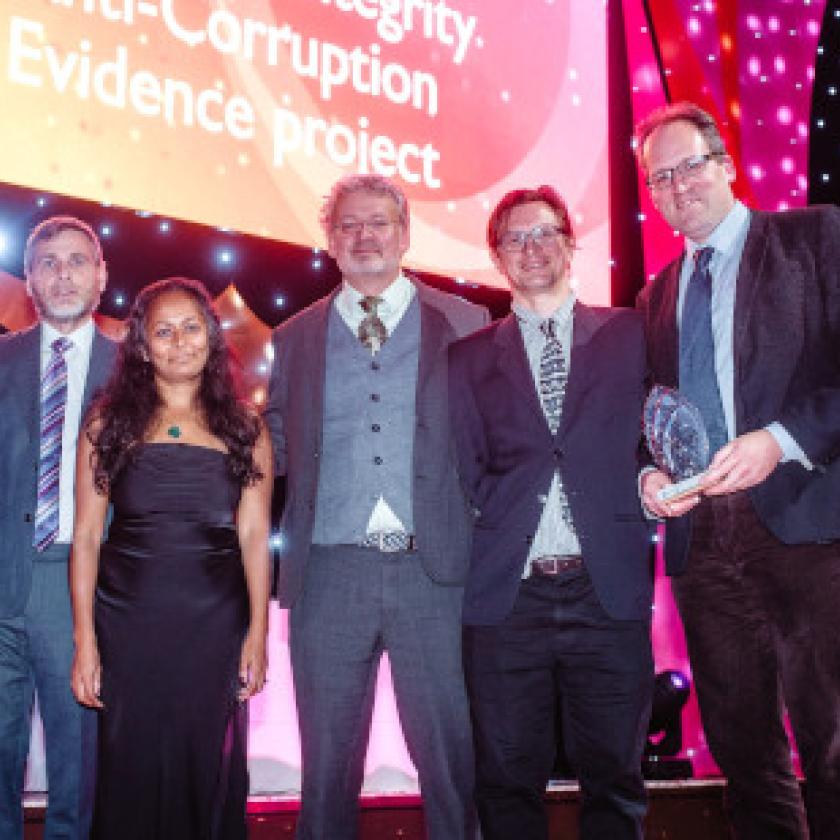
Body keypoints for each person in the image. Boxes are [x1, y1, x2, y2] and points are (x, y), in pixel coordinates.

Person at [635, 101, 840, 839]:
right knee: (744, 753)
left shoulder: (815, 236)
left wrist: (780, 439)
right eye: (660, 177)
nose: (677, 184)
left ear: (725, 165)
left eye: (690, 164)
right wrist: (648, 480)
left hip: (805, 525)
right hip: (703, 549)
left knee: (833, 740)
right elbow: (650, 417)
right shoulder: (654, 297)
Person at [263, 174, 488, 840]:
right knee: (327, 770)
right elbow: (275, 437)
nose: (365, 236)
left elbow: (491, 440)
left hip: (437, 573)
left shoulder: (467, 323)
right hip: (331, 572)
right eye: (349, 226)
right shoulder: (296, 335)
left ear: (404, 233)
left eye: (379, 223)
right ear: (330, 241)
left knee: (452, 764)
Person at [448, 186, 654, 840]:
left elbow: (654, 434)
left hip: (607, 591)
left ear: (570, 243)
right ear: (498, 257)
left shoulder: (631, 334)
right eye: (516, 238)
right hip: (509, 599)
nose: (532, 248)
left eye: (545, 234)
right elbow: (466, 467)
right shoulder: (468, 359)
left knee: (616, 782)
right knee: (506, 785)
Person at [70, 276, 272, 840]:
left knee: (205, 756)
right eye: (163, 330)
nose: (179, 341)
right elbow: (87, 537)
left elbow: (254, 534)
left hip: (215, 622)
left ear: (210, 336)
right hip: (128, 620)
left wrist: (256, 634)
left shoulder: (245, 427)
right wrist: (86, 642)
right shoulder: (107, 423)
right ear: (141, 344)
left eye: (191, 327)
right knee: (129, 760)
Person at [0, 216, 116, 840]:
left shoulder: (138, 373)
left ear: (101, 276)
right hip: (0, 579)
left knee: (78, 769)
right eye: (49, 262)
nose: (63, 273)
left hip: (82, 588)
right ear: (31, 281)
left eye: (77, 260)